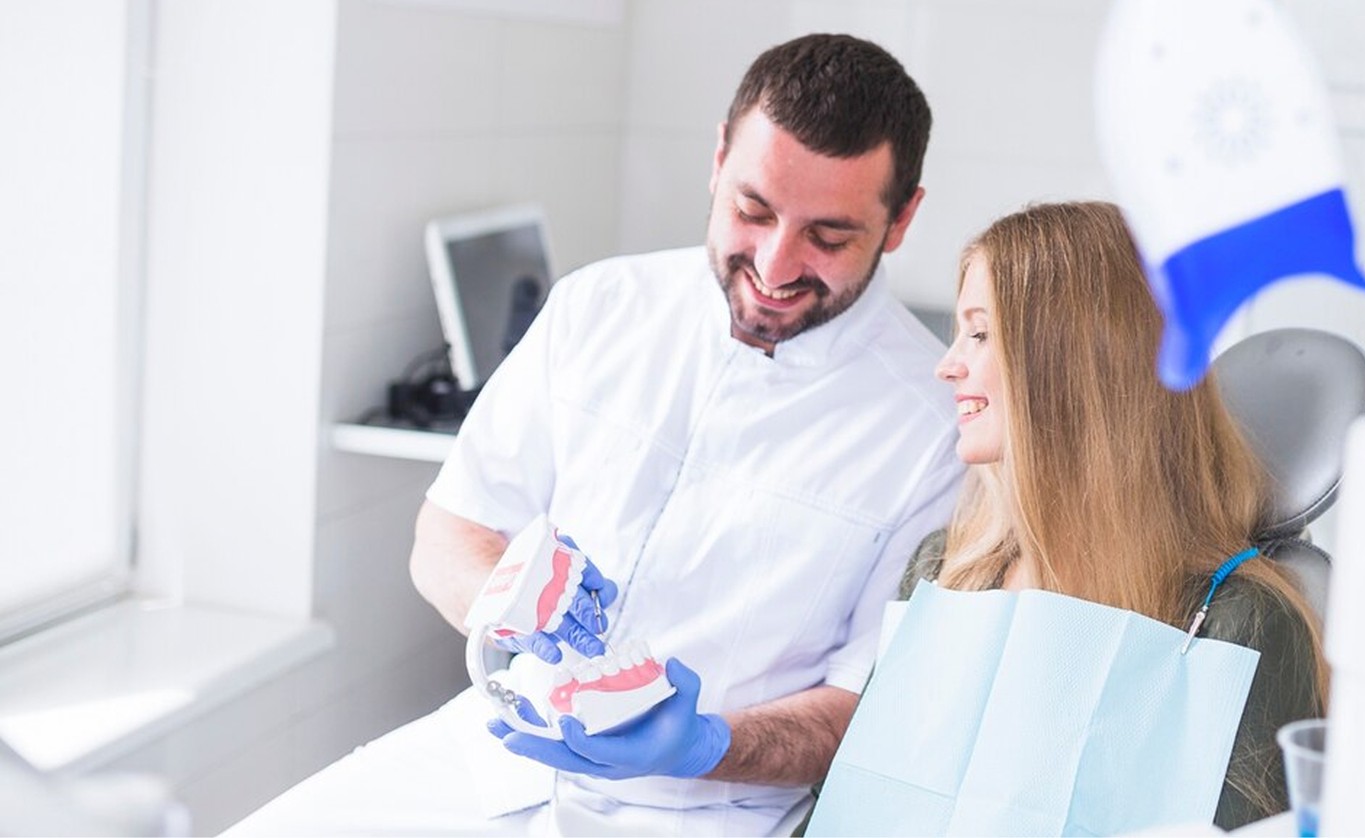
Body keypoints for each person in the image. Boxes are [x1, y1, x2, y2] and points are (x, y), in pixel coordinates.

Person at [229, 34, 963, 836]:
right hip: (496, 752)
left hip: (701, 811)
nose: (775, 265)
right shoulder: (600, 306)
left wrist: (704, 744)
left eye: (828, 237)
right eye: (752, 211)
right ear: (719, 158)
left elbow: (864, 705)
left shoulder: (935, 432)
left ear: (901, 219)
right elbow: (450, 529)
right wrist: (505, 601)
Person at [904, 201, 1327, 829]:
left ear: (1073, 361)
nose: (947, 365)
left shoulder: (1239, 626)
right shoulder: (944, 572)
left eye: (981, 333)